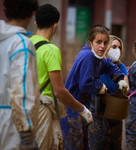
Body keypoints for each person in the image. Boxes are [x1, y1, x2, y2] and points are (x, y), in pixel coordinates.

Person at [30, 4, 93, 149]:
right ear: (55, 26)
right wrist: (82, 108)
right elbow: (59, 91)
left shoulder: (24, 44)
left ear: (36, 24)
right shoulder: (51, 50)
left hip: (23, 108)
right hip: (41, 110)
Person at [59, 26, 129, 150]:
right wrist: (99, 86)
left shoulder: (98, 57)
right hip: (72, 110)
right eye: (98, 42)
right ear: (90, 42)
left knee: (84, 145)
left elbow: (109, 66)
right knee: (74, 145)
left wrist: (119, 79)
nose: (102, 46)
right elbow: (85, 85)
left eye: (105, 43)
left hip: (81, 108)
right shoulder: (88, 56)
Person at [0, 0, 39, 149]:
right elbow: (21, 89)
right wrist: (26, 131)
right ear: (31, 14)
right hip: (12, 124)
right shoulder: (21, 44)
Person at [88, 35, 129, 150]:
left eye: (119, 48)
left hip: (115, 109)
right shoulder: (97, 64)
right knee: (98, 144)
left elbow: (126, 86)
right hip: (97, 106)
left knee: (115, 144)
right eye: (114, 47)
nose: (117, 50)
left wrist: (124, 86)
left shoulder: (121, 67)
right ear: (106, 47)